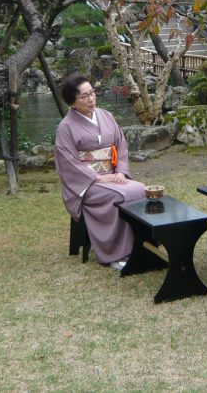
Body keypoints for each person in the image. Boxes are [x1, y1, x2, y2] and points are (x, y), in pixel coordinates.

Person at [54, 73, 145, 270]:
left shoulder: (106, 116)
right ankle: (116, 254)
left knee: (141, 190)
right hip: (87, 184)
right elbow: (68, 162)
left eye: (92, 93)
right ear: (72, 103)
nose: (91, 99)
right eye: (84, 96)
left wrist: (121, 171)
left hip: (113, 175)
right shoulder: (66, 127)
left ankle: (143, 246)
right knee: (117, 197)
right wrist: (97, 178)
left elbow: (121, 145)